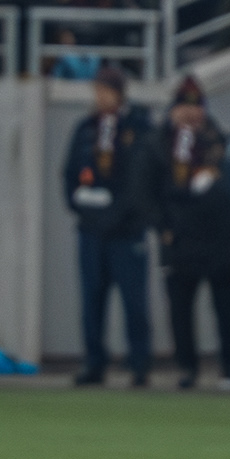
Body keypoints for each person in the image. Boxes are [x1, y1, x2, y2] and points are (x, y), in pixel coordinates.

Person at [146, 76, 230, 390]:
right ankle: (187, 367)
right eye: (184, 107)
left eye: (196, 107)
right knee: (180, 309)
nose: (190, 114)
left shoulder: (220, 141)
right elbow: (145, 190)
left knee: (227, 305)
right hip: (179, 238)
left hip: (220, 239)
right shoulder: (158, 143)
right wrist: (163, 227)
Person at [62, 65, 153, 386]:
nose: (100, 97)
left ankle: (139, 362)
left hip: (126, 230)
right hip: (91, 230)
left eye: (106, 91)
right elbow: (70, 173)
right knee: (92, 300)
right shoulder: (86, 129)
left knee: (134, 300)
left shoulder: (138, 128)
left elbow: (140, 178)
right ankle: (94, 360)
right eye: (97, 91)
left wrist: (118, 212)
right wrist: (80, 203)